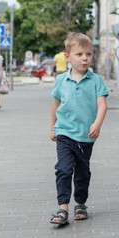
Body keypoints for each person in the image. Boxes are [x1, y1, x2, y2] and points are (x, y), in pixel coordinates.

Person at [49, 32, 109, 225]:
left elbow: (102, 105)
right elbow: (56, 106)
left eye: (89, 54)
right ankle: (62, 209)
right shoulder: (60, 80)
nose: (85, 58)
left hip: (86, 135)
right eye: (79, 54)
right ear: (67, 56)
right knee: (64, 169)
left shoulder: (96, 81)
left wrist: (97, 123)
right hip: (65, 133)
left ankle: (80, 203)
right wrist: (53, 128)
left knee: (82, 171)